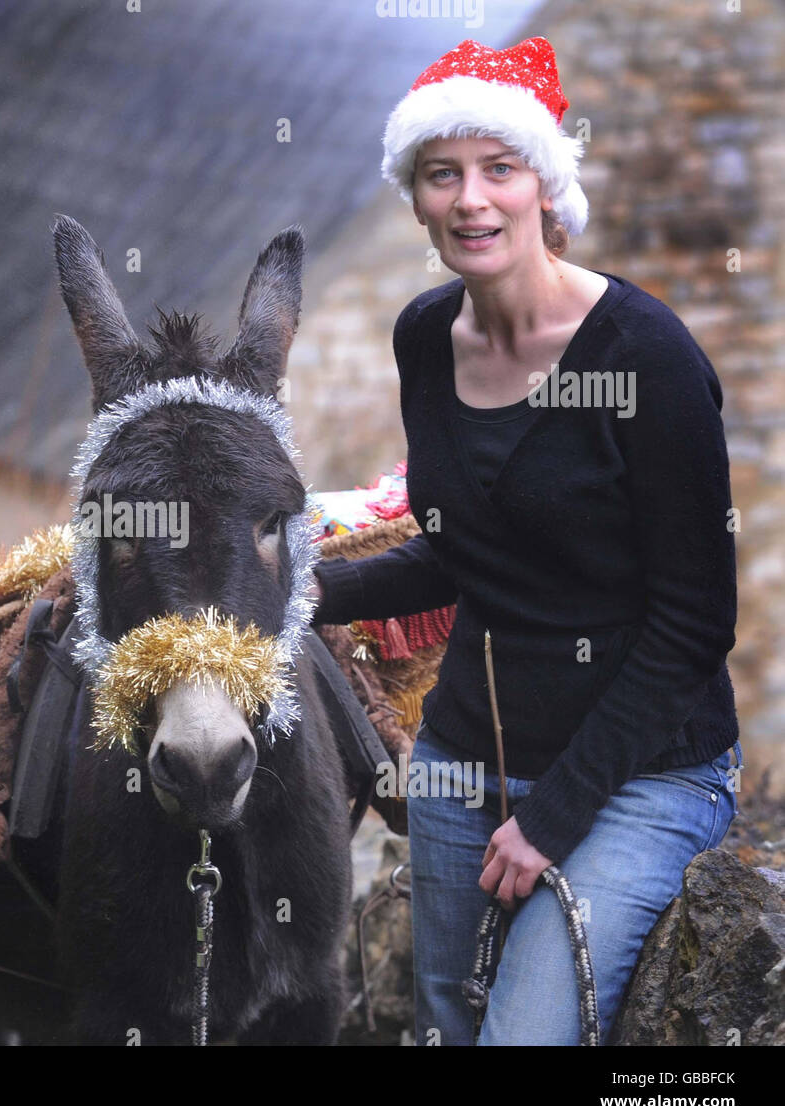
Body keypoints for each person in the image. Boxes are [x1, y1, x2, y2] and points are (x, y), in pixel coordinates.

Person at [310, 36, 742, 1045]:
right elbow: (465, 555)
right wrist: (296, 588)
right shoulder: (423, 337)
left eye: (498, 168)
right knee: (441, 1026)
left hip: (647, 775)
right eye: (441, 174)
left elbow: (694, 622)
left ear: (544, 185)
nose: (471, 199)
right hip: (469, 754)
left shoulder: (647, 356)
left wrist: (555, 817)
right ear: (413, 197)